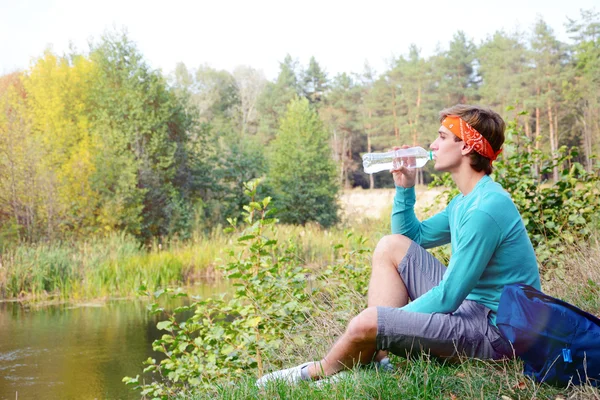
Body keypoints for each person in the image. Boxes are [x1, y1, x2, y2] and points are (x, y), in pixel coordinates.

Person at [256, 104, 541, 386]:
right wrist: (405, 188)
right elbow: (410, 239)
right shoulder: (466, 201)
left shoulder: (485, 209)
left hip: (496, 333)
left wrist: (383, 322)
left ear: (466, 147)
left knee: (368, 322)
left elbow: (449, 297)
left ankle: (315, 372)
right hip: (472, 310)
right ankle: (377, 360)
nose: (433, 145)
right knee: (390, 245)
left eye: (442, 137)